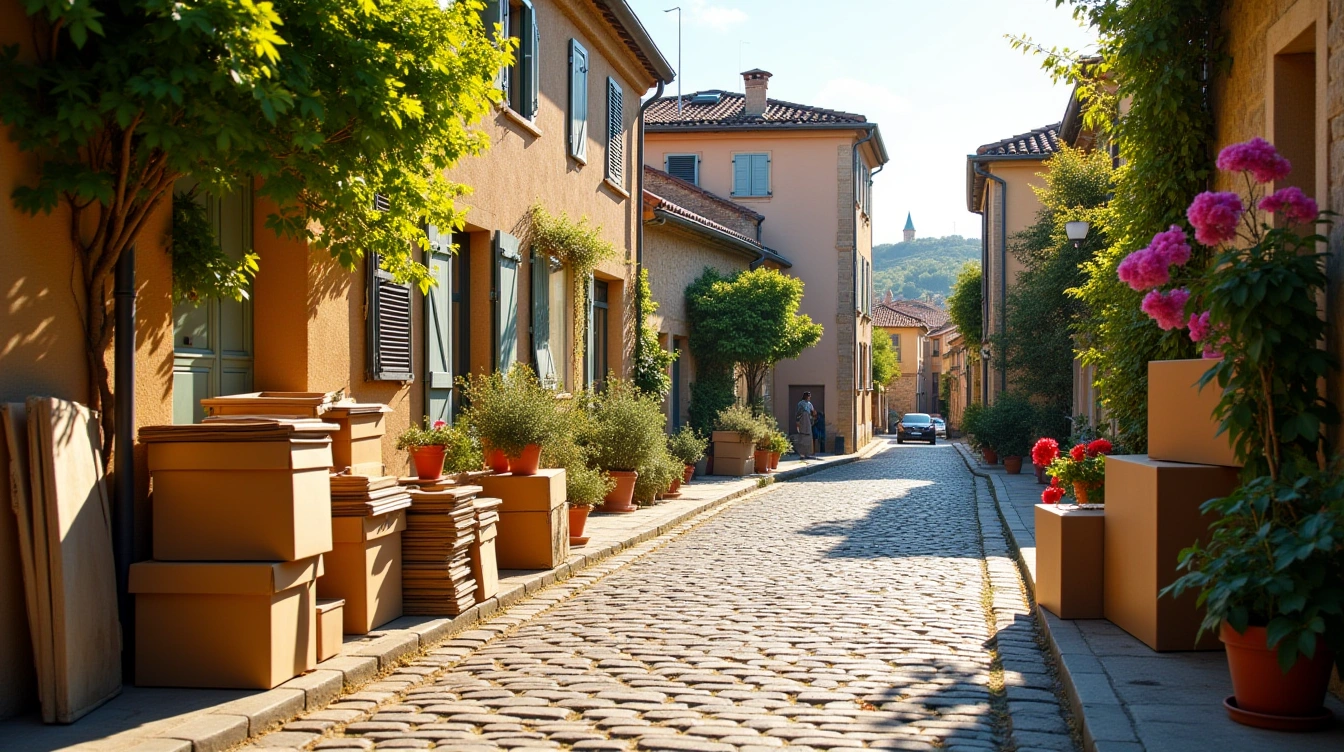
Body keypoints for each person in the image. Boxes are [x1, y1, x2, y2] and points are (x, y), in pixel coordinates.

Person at [794, 392, 817, 459]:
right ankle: (802, 454)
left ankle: (808, 453)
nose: (809, 398)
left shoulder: (810, 404)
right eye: (809, 396)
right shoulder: (800, 404)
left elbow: (813, 412)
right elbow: (798, 414)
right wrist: (797, 422)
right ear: (806, 396)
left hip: (808, 422)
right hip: (802, 422)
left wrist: (814, 414)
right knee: (802, 438)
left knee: (808, 438)